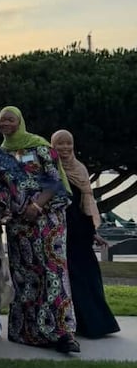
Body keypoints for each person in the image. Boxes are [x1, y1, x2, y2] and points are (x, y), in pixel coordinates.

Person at [0, 106, 79, 353]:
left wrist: (37, 205)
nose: (6, 123)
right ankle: (27, 332)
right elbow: (2, 186)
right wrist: (1, 209)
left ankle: (62, 334)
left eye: (10, 119)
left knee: (53, 273)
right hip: (19, 225)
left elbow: (55, 180)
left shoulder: (39, 146)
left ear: (20, 121)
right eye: (2, 120)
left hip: (48, 220)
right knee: (25, 276)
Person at [51, 129, 119, 339]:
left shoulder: (79, 169)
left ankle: (97, 324)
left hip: (79, 232)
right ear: (52, 146)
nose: (64, 148)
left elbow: (86, 204)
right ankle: (75, 323)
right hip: (57, 230)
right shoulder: (50, 169)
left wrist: (93, 233)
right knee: (68, 279)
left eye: (68, 144)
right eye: (59, 144)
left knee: (88, 277)